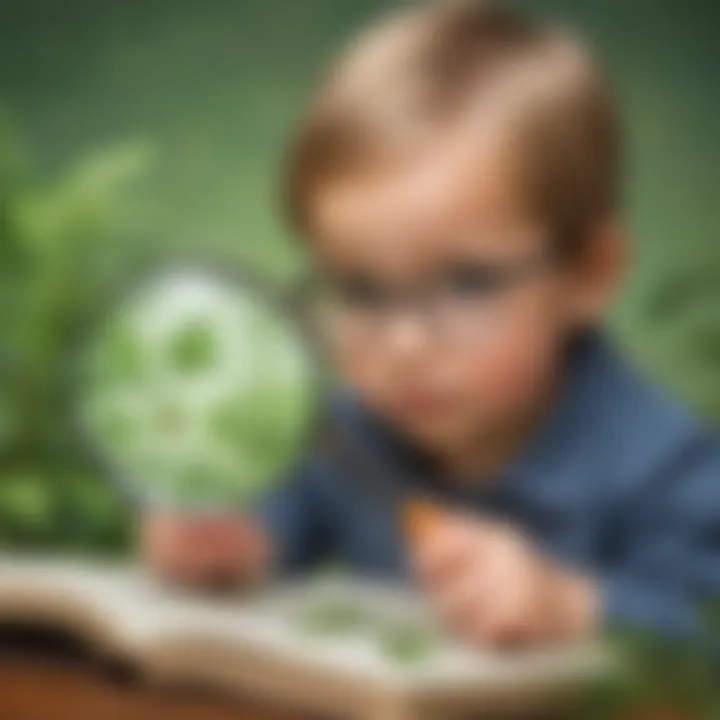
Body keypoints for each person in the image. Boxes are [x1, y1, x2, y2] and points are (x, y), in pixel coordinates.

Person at [142, 0, 720, 647]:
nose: (405, 344)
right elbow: (274, 527)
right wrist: (225, 547)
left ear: (587, 275)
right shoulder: (345, 437)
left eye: (467, 284)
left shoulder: (668, 468)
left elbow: (703, 628)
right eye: (360, 291)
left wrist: (569, 608)